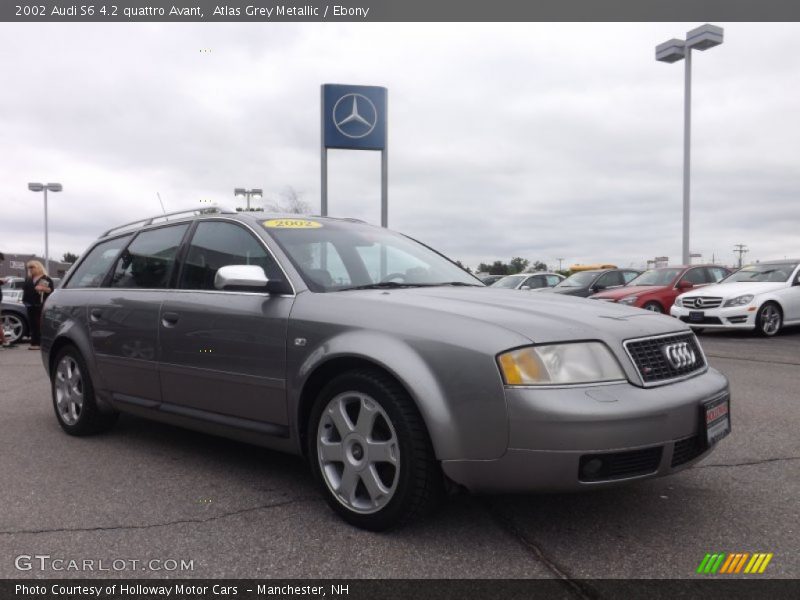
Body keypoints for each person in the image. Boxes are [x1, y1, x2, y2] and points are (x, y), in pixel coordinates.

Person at [22, 261, 54, 350]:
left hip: (40, 304)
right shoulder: (28, 278)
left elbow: (51, 290)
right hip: (29, 304)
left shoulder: (46, 278)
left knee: (39, 323)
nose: (30, 269)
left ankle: (40, 343)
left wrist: (43, 288)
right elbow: (25, 290)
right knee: (32, 324)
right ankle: (34, 342)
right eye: (29, 267)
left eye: (32, 267)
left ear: (38, 267)